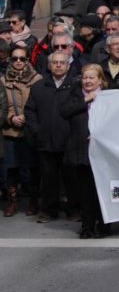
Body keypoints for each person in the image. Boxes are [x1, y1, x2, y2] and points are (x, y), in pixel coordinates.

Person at [58, 64, 112, 238]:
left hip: (103, 152)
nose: (87, 81)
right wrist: (86, 99)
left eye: (92, 77)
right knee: (85, 191)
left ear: (100, 80)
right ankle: (87, 226)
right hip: (81, 151)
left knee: (102, 190)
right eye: (85, 77)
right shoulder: (75, 95)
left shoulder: (110, 97)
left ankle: (104, 225)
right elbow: (64, 111)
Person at [25, 51, 73, 224]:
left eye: (62, 62)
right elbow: (29, 112)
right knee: (48, 178)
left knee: (70, 178)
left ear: (68, 65)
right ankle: (48, 210)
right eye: (55, 62)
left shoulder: (75, 86)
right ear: (49, 65)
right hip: (46, 141)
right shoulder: (38, 87)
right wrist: (37, 131)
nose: (58, 65)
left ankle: (73, 209)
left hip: (69, 142)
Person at [0, 44, 42, 216]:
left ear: (27, 60)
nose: (18, 62)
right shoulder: (3, 80)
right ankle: (13, 200)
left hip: (29, 129)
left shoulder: (36, 79)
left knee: (32, 166)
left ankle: (33, 200)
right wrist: (11, 117)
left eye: (22, 59)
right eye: (15, 58)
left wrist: (26, 117)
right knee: (11, 167)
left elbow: (38, 103)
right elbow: (2, 103)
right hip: (9, 130)